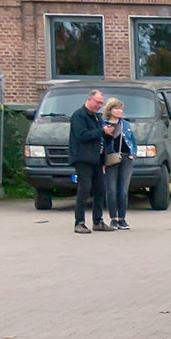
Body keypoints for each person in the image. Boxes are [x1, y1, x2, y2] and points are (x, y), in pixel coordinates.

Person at [68, 88, 114, 234]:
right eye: (97, 102)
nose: (99, 106)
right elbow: (82, 135)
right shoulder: (79, 115)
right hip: (83, 159)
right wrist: (102, 131)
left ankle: (98, 221)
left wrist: (109, 134)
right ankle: (79, 222)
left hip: (97, 160)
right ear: (89, 99)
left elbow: (100, 137)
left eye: (101, 103)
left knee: (100, 190)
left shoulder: (97, 117)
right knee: (84, 189)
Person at [100, 97, 135, 230]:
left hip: (125, 158)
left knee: (123, 190)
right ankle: (113, 218)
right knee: (111, 190)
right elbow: (101, 143)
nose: (119, 111)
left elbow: (133, 140)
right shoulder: (103, 124)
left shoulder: (125, 124)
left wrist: (132, 154)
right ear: (110, 110)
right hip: (110, 158)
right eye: (116, 109)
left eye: (121, 109)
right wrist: (102, 161)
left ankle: (122, 218)